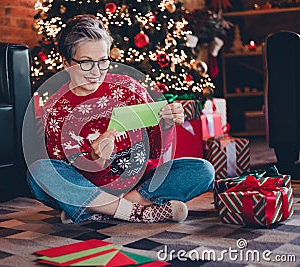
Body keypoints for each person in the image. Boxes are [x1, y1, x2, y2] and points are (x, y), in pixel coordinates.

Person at [27, 14, 214, 224]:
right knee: (39, 173)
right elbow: (65, 174)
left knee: (202, 170)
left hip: (139, 184)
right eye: (86, 63)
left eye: (103, 61)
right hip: (91, 188)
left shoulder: (128, 88)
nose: (96, 72)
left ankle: (103, 211)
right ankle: (140, 211)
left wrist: (167, 125)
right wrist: (96, 160)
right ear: (66, 63)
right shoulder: (55, 110)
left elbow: (155, 151)